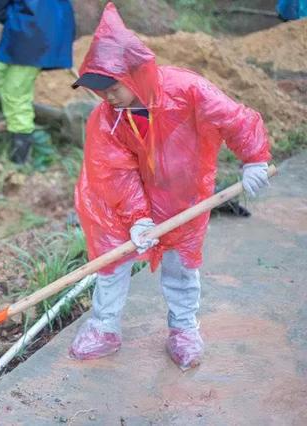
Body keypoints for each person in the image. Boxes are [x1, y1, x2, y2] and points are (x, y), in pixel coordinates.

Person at [69, 3, 272, 370]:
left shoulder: (187, 90)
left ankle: (183, 328)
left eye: (112, 87)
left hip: (183, 192)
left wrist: (254, 157)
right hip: (119, 203)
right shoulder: (106, 120)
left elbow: (233, 118)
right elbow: (113, 172)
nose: (106, 97)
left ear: (134, 76)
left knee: (181, 263)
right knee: (111, 260)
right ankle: (104, 327)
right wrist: (137, 218)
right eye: (99, 91)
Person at [0, 0, 75, 164]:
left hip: (28, 27)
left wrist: (13, 19)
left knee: (15, 92)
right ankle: (11, 125)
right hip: (52, 26)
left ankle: (19, 158)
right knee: (3, 75)